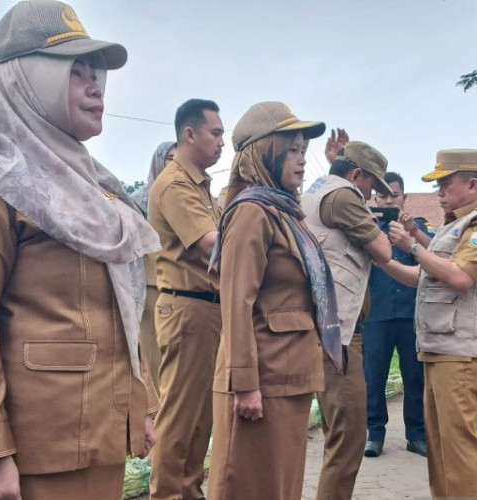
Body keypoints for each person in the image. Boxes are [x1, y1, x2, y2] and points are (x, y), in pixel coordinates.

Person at [0, 2, 160, 499]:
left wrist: (140, 403)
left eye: (97, 74)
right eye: (75, 72)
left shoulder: (92, 187)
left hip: (96, 441)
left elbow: (120, 308)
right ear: (27, 81)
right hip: (29, 456)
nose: (96, 86)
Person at [206, 101, 341, 500]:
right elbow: (236, 303)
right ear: (266, 152)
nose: (302, 160)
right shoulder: (252, 213)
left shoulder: (284, 211)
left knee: (278, 487)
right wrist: (245, 385)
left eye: (304, 150)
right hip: (261, 382)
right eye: (293, 149)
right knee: (247, 487)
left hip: (290, 375)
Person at [385, 149, 477, 498]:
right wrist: (384, 258)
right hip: (441, 346)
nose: (439, 191)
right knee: (441, 448)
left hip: (463, 350)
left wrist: (413, 247)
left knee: (460, 449)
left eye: (445, 183)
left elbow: (459, 277)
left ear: (472, 184)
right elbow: (421, 276)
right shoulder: (455, 223)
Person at [302, 140, 392, 500]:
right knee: (349, 436)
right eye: (372, 185)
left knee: (337, 431)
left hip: (321, 323)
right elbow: (383, 252)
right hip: (337, 332)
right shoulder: (344, 196)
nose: (373, 196)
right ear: (357, 175)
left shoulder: (319, 188)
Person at [147, 99, 224, 500]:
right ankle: (167, 494)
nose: (222, 142)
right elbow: (211, 244)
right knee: (179, 418)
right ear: (189, 134)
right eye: (216, 133)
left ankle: (188, 492)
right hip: (188, 307)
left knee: (200, 419)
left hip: (204, 309)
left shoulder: (199, 184)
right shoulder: (176, 183)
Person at [362, 171, 433, 459]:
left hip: (409, 315)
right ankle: (374, 434)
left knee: (414, 378)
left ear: (404, 197)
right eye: (383, 195)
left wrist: (412, 233)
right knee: (373, 378)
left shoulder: (417, 226)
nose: (388, 200)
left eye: (394, 194)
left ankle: (415, 435)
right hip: (376, 314)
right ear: (374, 198)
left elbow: (437, 253)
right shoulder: (366, 228)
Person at [131, 141, 176, 395]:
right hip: (150, 284)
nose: (174, 163)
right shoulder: (140, 200)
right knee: (154, 354)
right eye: (169, 158)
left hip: (179, 285)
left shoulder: (185, 195)